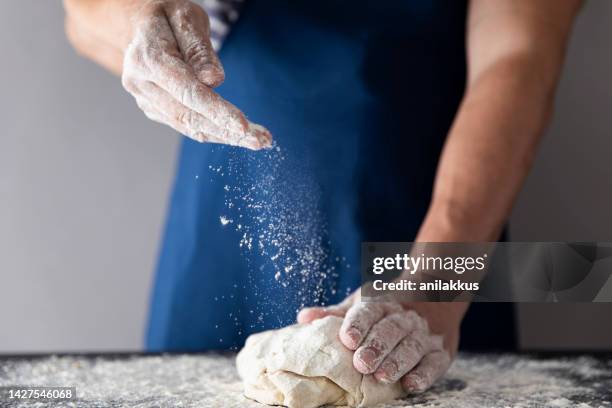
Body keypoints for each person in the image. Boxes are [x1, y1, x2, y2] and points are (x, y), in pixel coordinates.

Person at [64, 0, 582, 393]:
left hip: (441, 224)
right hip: (229, 222)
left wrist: (436, 282)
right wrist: (141, 21)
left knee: (414, 368)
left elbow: (519, 55)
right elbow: (82, 16)